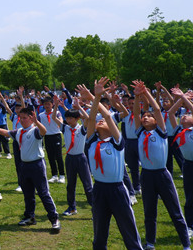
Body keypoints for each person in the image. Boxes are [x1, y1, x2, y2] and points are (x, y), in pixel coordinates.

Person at [77, 78, 142, 249]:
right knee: (99, 233)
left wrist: (94, 97)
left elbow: (106, 115)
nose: (101, 121)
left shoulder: (116, 142)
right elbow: (91, 119)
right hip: (99, 189)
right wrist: (94, 99)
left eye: (104, 121)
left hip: (117, 190)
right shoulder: (92, 142)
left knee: (128, 231)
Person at [132, 80, 190, 250]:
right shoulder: (140, 132)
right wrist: (137, 97)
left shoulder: (161, 132)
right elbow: (136, 113)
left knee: (175, 211)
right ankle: (150, 242)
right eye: (144, 116)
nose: (145, 117)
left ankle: (186, 244)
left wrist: (146, 93)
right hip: (147, 175)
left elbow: (157, 109)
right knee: (149, 212)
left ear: (157, 122)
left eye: (149, 117)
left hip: (162, 175)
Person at [0, 103, 60, 232]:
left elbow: (43, 131)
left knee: (44, 193)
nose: (22, 120)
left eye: (24, 118)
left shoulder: (34, 131)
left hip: (37, 165)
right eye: (20, 118)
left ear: (31, 118)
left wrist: (37, 122)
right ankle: (30, 217)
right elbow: (7, 133)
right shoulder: (19, 132)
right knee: (28, 194)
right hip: (24, 166)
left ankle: (54, 219)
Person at [51, 96, 92, 216]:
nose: (68, 120)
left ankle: (95, 207)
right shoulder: (65, 128)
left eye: (70, 118)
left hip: (81, 158)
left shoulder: (82, 129)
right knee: (70, 185)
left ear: (77, 119)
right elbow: (54, 117)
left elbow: (88, 118)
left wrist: (79, 107)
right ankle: (72, 208)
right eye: (67, 118)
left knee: (87, 185)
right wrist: (56, 106)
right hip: (70, 158)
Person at [170, 87, 193, 236]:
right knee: (190, 196)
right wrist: (180, 99)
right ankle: (190, 226)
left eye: (188, 115)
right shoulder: (179, 131)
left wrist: (184, 98)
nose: (184, 116)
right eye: (183, 115)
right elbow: (171, 112)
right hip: (189, 165)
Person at [38, 96, 65, 184]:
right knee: (50, 156)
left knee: (58, 156)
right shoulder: (41, 115)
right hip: (47, 136)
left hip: (56, 135)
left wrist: (60, 122)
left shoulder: (57, 112)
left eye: (48, 104)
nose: (47, 106)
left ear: (52, 104)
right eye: (45, 104)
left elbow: (61, 120)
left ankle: (62, 175)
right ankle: (54, 175)